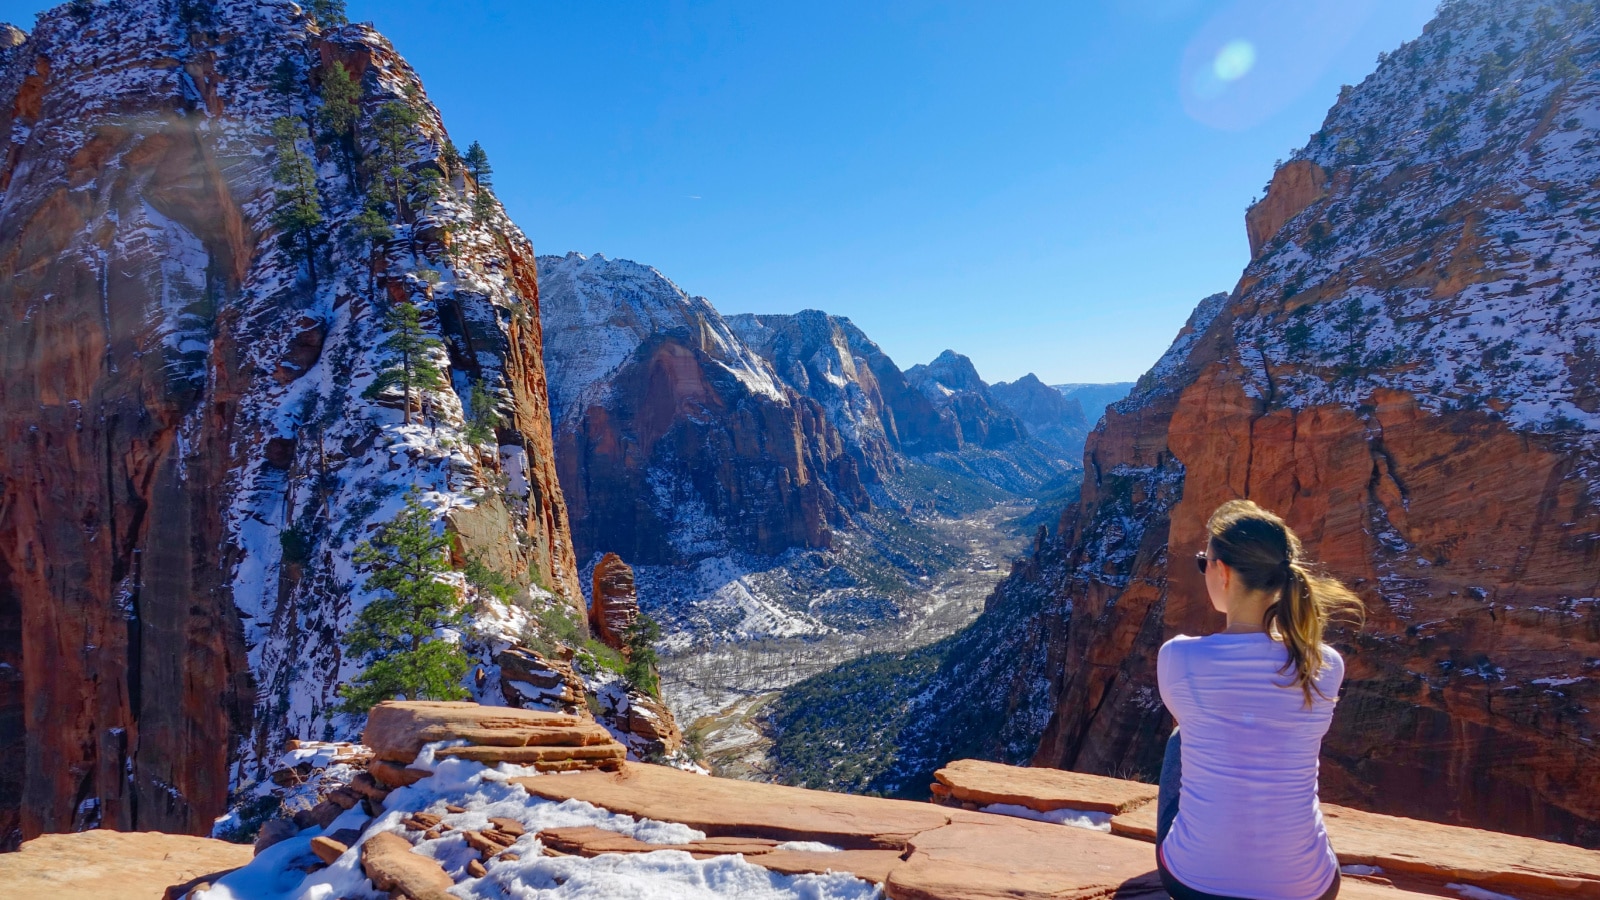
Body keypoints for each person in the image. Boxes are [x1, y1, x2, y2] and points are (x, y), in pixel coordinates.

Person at [1155, 499, 1364, 900]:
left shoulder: (1179, 658)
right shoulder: (1324, 663)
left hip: (1194, 884)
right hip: (1309, 889)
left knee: (1182, 737)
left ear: (1224, 572)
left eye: (1205, 562)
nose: (1204, 572)